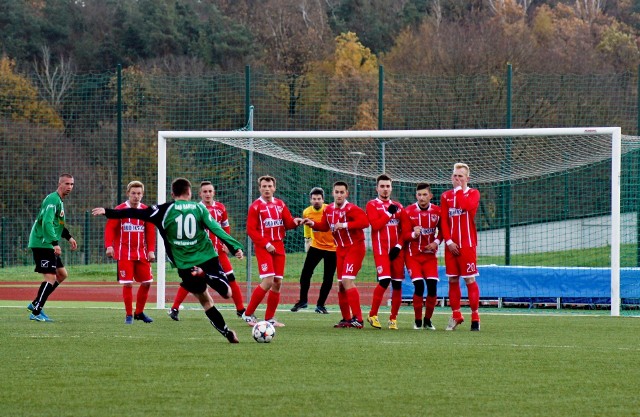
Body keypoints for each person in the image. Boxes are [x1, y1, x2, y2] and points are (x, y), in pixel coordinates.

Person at [93, 178, 244, 343]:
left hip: (185, 264)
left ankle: (228, 333)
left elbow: (135, 212)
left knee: (206, 301)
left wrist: (108, 212)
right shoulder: (199, 208)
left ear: (172, 194)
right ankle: (207, 275)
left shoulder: (163, 210)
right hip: (207, 257)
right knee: (227, 293)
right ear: (190, 193)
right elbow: (215, 228)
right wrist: (234, 247)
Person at [168, 181, 245, 321]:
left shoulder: (221, 208)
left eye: (210, 191)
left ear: (214, 192)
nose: (208, 194)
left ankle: (241, 310)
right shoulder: (195, 208)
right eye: (205, 191)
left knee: (231, 277)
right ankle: (175, 308)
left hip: (219, 253)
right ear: (200, 194)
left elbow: (224, 228)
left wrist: (227, 245)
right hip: (201, 253)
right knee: (190, 279)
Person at [304, 181, 370, 328]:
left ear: (346, 194)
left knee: (347, 280)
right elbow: (324, 226)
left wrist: (345, 225)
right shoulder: (328, 210)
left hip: (355, 248)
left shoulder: (352, 209)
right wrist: (312, 224)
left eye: (342, 192)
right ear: (332, 193)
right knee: (340, 285)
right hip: (340, 249)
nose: (339, 195)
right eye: (337, 192)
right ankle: (346, 319)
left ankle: (358, 319)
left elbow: (365, 222)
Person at [241, 175, 303, 327]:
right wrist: (266, 243)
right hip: (264, 247)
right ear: (259, 188)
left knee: (277, 283)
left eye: (269, 186)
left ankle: (269, 318)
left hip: (279, 246)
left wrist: (295, 222)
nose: (267, 189)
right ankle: (247, 314)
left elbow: (287, 223)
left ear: (274, 188)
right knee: (268, 280)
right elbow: (251, 230)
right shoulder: (255, 206)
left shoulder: (280, 204)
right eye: (264, 186)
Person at [27, 173, 78, 322]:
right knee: (50, 277)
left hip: (47, 243)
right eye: (67, 184)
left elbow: (58, 225)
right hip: (42, 243)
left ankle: (36, 303)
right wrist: (54, 243)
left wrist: (69, 237)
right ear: (60, 184)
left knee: (62, 274)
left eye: (72, 184)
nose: (69, 187)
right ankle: (36, 312)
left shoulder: (59, 202)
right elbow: (47, 223)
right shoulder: (52, 199)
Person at [104, 181, 156, 324]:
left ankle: (139, 312)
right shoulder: (120, 209)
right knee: (128, 284)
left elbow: (150, 232)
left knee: (147, 283)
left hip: (142, 253)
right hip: (124, 253)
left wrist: (151, 251)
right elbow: (110, 229)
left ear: (142, 194)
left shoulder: (146, 211)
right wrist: (109, 246)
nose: (136, 196)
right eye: (133, 193)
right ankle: (128, 315)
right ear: (128, 193)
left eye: (139, 193)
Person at [440, 163, 481, 331]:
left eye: (460, 176)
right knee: (452, 279)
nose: (456, 179)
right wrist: (448, 242)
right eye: (454, 176)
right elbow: (443, 220)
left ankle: (475, 318)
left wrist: (458, 191)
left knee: (469, 279)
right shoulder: (445, 196)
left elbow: (466, 206)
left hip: (467, 245)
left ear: (467, 179)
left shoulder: (473, 193)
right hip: (451, 246)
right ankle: (456, 315)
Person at [365, 174, 406, 330]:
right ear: (377, 188)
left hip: (396, 252)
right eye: (382, 186)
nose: (385, 189)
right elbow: (375, 225)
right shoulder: (372, 205)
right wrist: (389, 213)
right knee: (384, 281)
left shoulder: (399, 206)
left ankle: (393, 319)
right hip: (381, 251)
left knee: (397, 285)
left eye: (387, 186)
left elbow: (404, 230)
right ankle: (373, 314)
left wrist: (399, 246)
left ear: (391, 188)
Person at [401, 182, 442, 330]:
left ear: (430, 196)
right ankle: (417, 320)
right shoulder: (408, 211)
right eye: (419, 195)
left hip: (430, 256)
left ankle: (428, 320)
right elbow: (404, 234)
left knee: (432, 287)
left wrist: (436, 242)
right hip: (413, 256)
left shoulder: (437, 212)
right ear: (416, 196)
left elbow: (443, 231)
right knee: (419, 286)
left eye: (425, 195)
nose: (422, 197)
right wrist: (413, 233)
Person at [291, 187, 336, 314]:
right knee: (305, 274)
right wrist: (307, 240)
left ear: (323, 200)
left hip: (333, 248)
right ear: (310, 200)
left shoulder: (330, 209)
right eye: (314, 199)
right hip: (316, 246)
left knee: (328, 277)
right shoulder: (306, 212)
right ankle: (303, 301)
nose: (317, 201)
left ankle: (321, 305)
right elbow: (307, 226)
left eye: (319, 199)